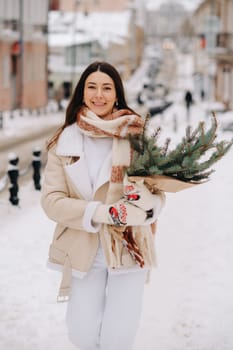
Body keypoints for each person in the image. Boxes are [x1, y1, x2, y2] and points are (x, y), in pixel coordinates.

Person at [41, 61, 165, 350]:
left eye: (106, 88)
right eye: (92, 87)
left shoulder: (137, 136)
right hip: (84, 248)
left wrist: (144, 207)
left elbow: (158, 192)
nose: (99, 95)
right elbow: (51, 201)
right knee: (81, 333)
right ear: (82, 93)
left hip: (129, 245)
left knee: (118, 337)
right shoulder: (64, 141)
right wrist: (99, 213)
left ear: (117, 94)